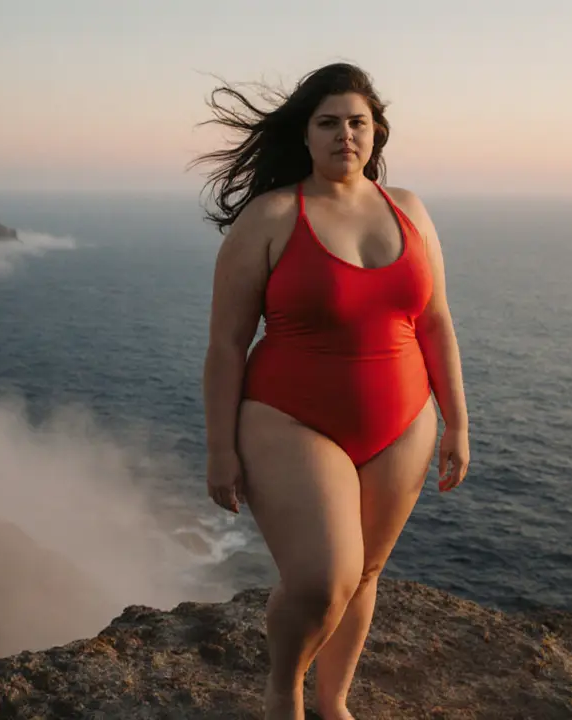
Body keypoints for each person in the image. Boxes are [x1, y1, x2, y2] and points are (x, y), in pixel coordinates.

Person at [194, 62, 470, 720]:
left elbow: (436, 321)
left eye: (357, 122)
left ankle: (333, 700)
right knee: (322, 579)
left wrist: (458, 423)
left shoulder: (410, 210)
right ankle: (283, 688)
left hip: (403, 421)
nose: (345, 134)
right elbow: (226, 345)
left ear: (376, 133)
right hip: (290, 419)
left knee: (365, 572)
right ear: (306, 134)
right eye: (328, 122)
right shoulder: (271, 217)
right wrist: (219, 450)